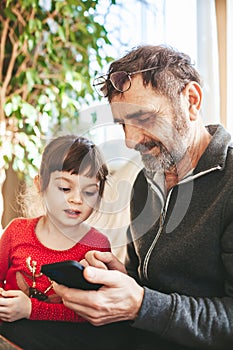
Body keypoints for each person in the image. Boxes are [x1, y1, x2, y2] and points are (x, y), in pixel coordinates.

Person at [53, 45, 233, 350]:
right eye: (123, 124)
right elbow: (147, 284)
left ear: (191, 101)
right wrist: (122, 279)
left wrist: (141, 304)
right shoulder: (144, 181)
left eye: (142, 118)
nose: (130, 140)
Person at [0, 135, 117, 349]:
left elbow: (92, 312)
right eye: (65, 188)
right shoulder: (17, 231)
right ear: (40, 185)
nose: (77, 199)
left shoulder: (97, 246)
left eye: (89, 192)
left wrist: (31, 309)